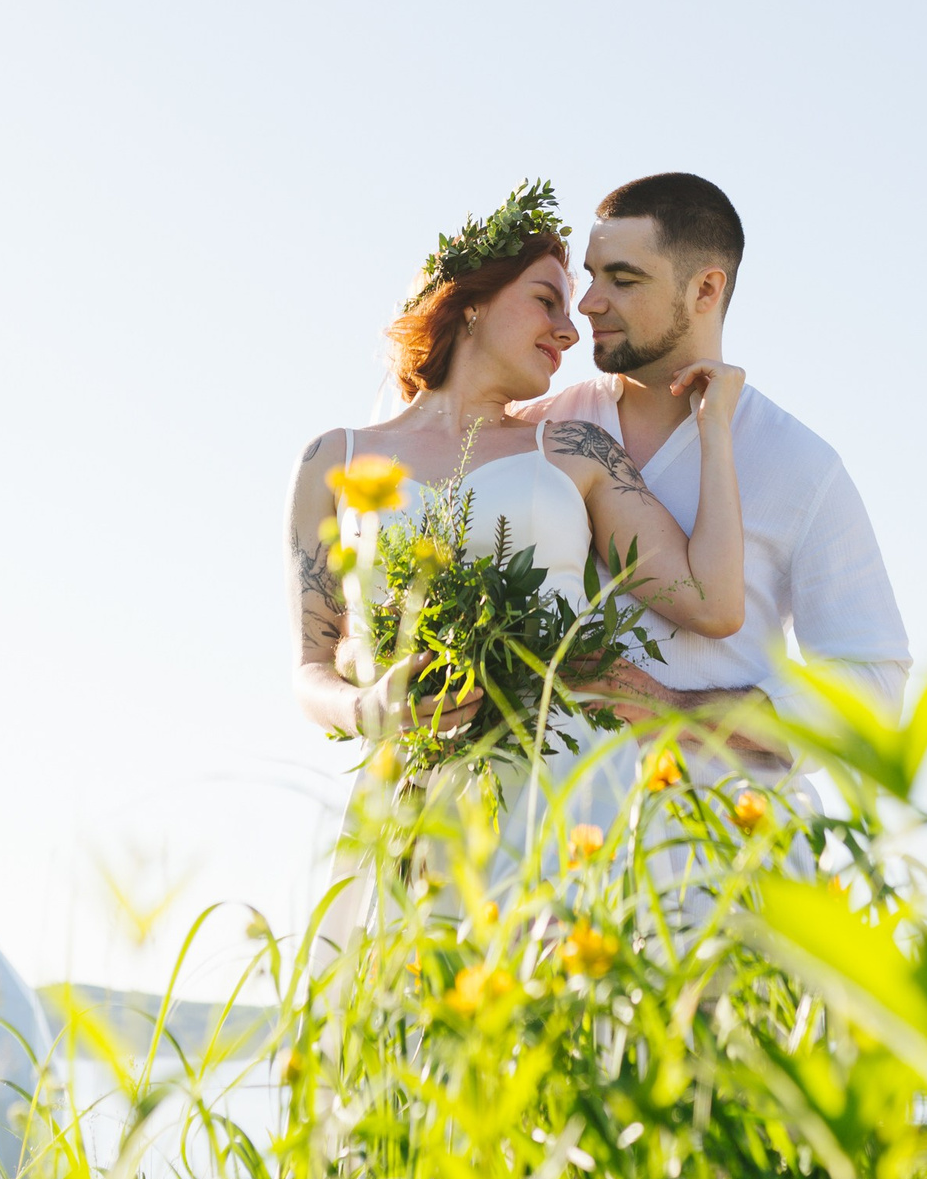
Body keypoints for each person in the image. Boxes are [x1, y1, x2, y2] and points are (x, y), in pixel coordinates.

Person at [288, 179, 752, 754]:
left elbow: (714, 602)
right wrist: (365, 708)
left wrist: (714, 430)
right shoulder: (334, 458)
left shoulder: (579, 450)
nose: (570, 328)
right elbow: (311, 665)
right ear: (472, 302)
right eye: (545, 300)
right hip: (405, 779)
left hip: (552, 770)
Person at [513, 173, 910, 756]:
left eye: (623, 279)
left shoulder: (799, 464)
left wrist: (675, 710)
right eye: (593, 276)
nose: (589, 302)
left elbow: (873, 687)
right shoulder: (533, 431)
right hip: (541, 827)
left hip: (717, 831)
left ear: (705, 290)